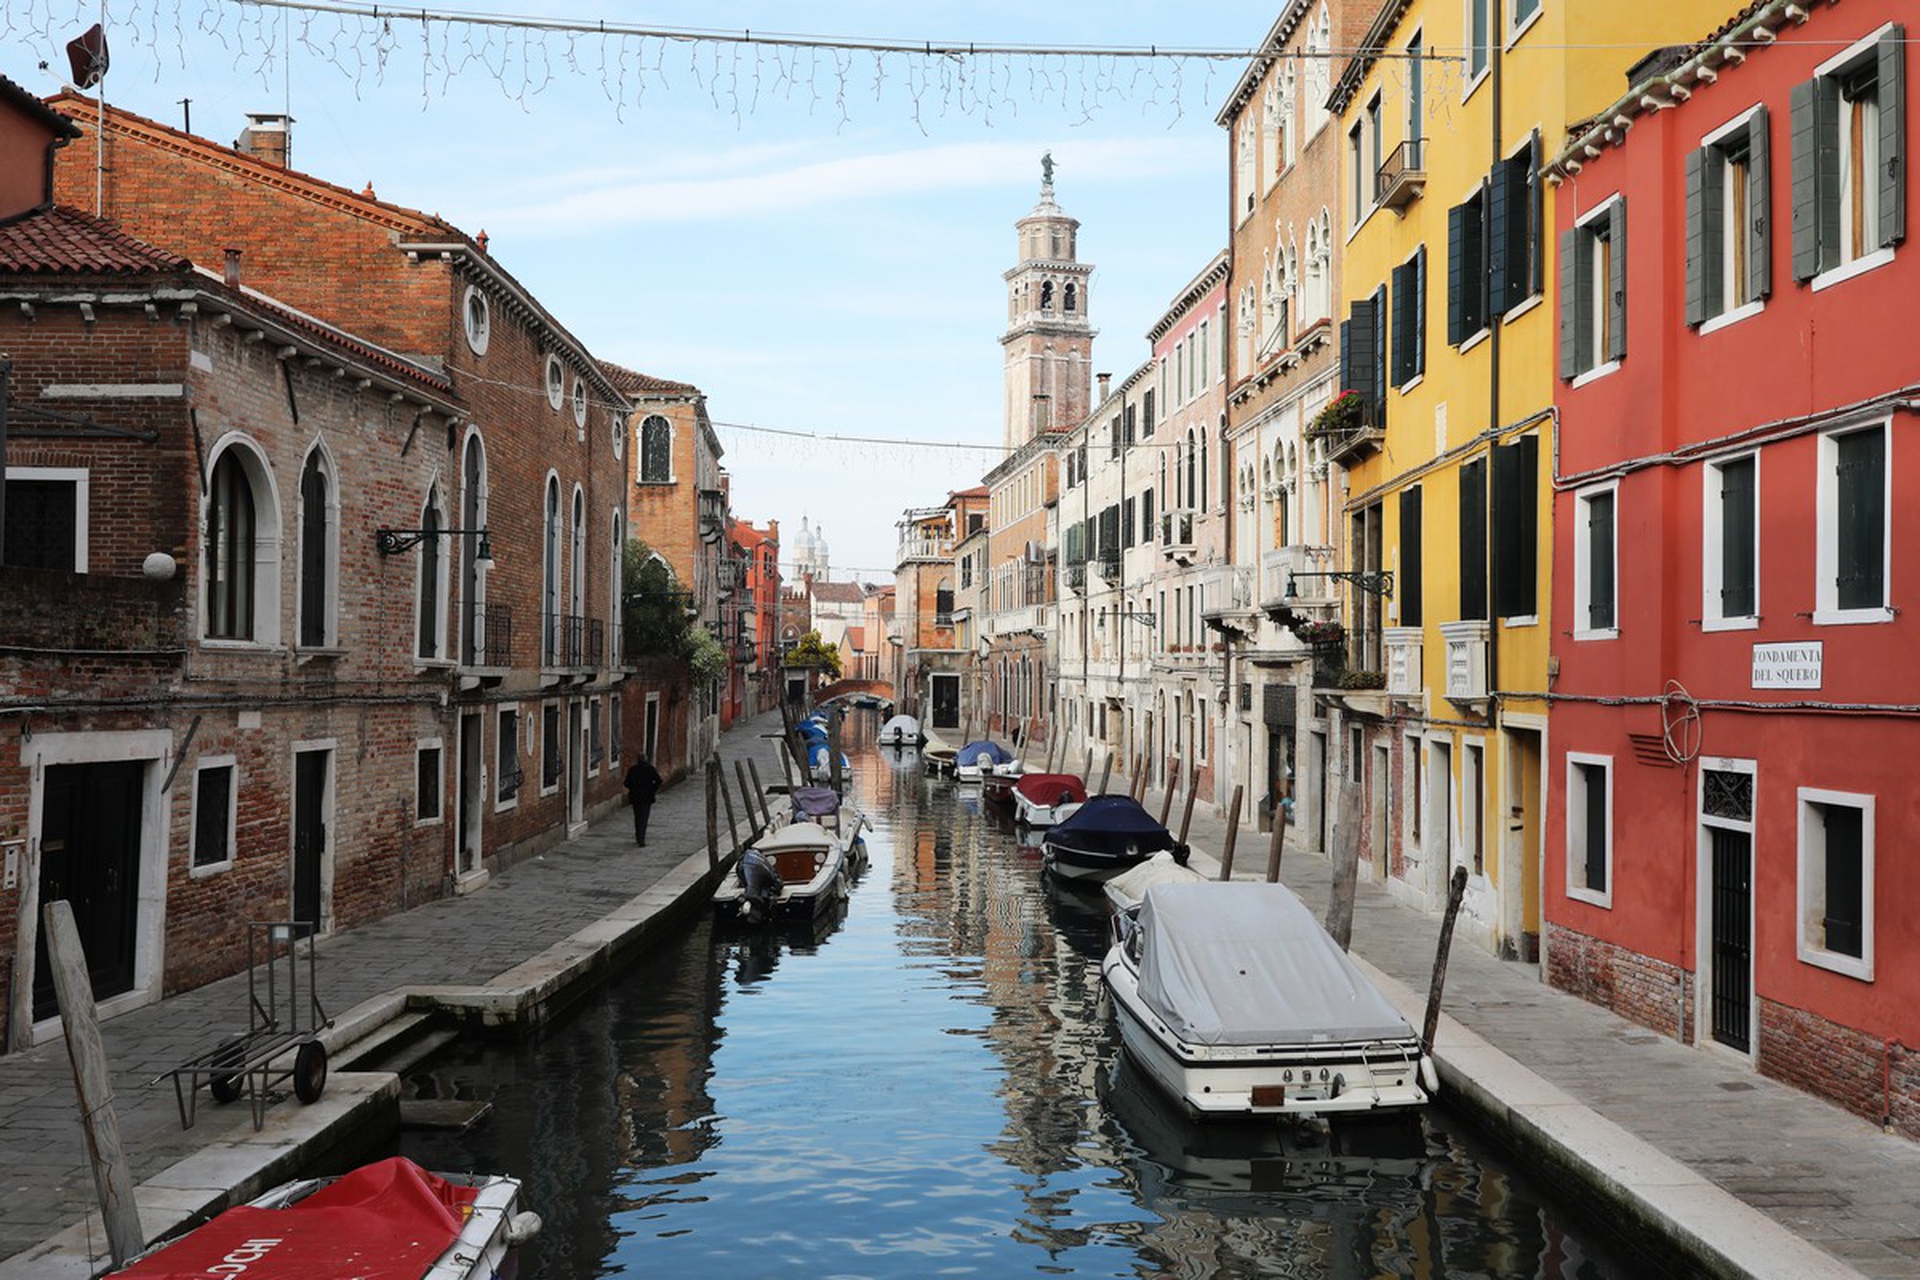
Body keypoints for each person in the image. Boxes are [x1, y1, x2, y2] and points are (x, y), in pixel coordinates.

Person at [623, 754, 662, 846]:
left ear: (638, 760)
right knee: (644, 818)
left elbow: (626, 783)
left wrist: (633, 788)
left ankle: (638, 836)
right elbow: (659, 781)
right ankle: (642, 838)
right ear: (646, 760)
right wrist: (652, 789)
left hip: (635, 797)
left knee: (637, 817)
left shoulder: (633, 770)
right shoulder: (650, 769)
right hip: (647, 797)